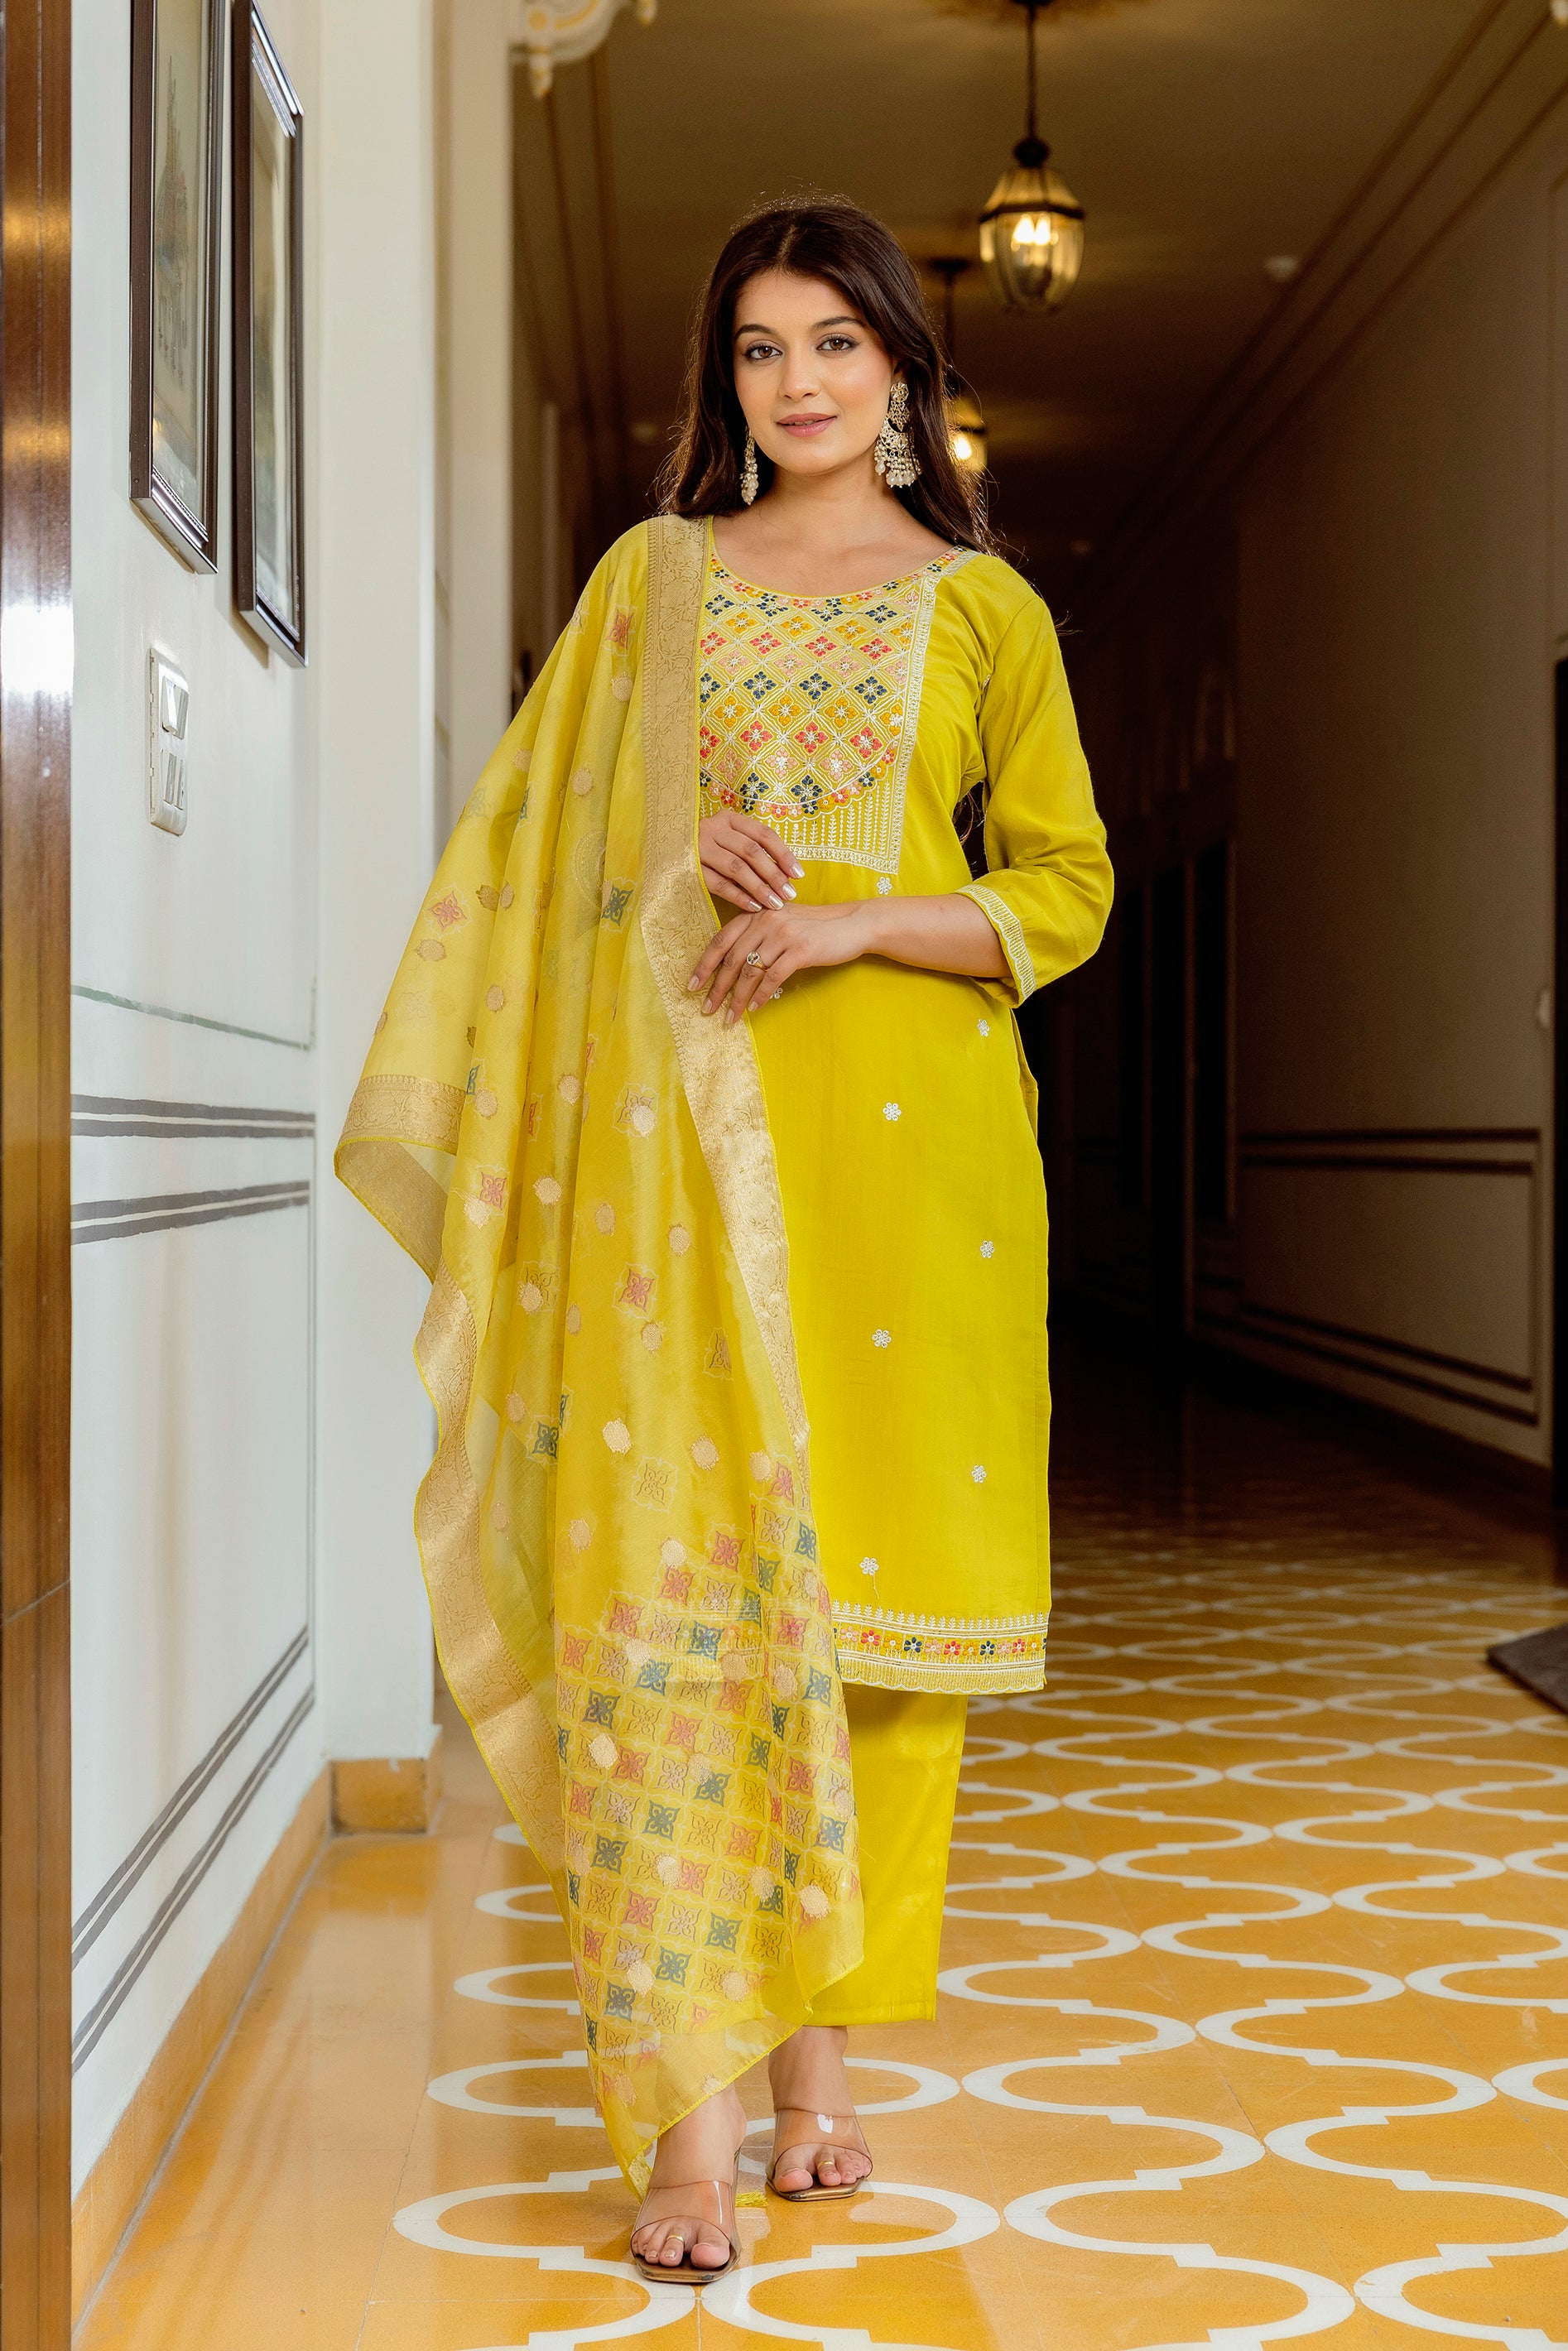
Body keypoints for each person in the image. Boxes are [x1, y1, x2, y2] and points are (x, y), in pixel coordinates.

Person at [336, 196, 1112, 2286]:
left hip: (914, 1182)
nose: (795, 386)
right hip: (668, 1172)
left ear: (902, 374)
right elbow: (537, 875)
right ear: (727, 380)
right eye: (759, 351)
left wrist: (859, 910)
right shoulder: (643, 589)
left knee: (866, 1646)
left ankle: (819, 2078)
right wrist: (673, 864)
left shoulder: (982, 616)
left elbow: (1063, 890)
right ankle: (681, 2125)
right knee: (663, 1620)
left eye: (833, 346)